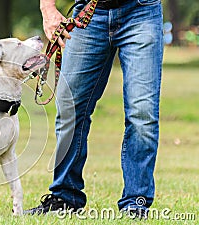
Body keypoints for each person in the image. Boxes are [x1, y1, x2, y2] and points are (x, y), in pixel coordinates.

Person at [24, 0, 163, 218]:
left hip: (141, 11)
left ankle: (135, 204)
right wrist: (48, 8)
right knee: (70, 109)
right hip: (89, 13)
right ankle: (64, 198)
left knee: (142, 112)